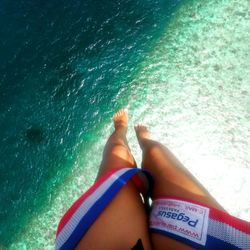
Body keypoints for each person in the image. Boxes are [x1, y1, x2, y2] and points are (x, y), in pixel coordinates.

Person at [56, 109, 250, 250]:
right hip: (219, 242)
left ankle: (121, 131)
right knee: (156, 154)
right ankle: (145, 141)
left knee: (118, 157)